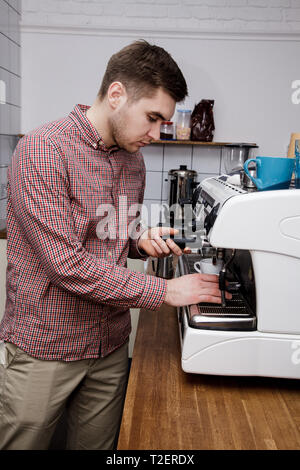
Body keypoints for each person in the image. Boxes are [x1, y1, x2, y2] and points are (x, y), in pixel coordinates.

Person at [0, 40, 230, 450]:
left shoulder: (132, 159)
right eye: (152, 117)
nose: (156, 134)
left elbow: (110, 237)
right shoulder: (42, 150)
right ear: (117, 94)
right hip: (45, 348)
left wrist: (141, 242)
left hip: (109, 346)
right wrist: (166, 290)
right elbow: (65, 264)